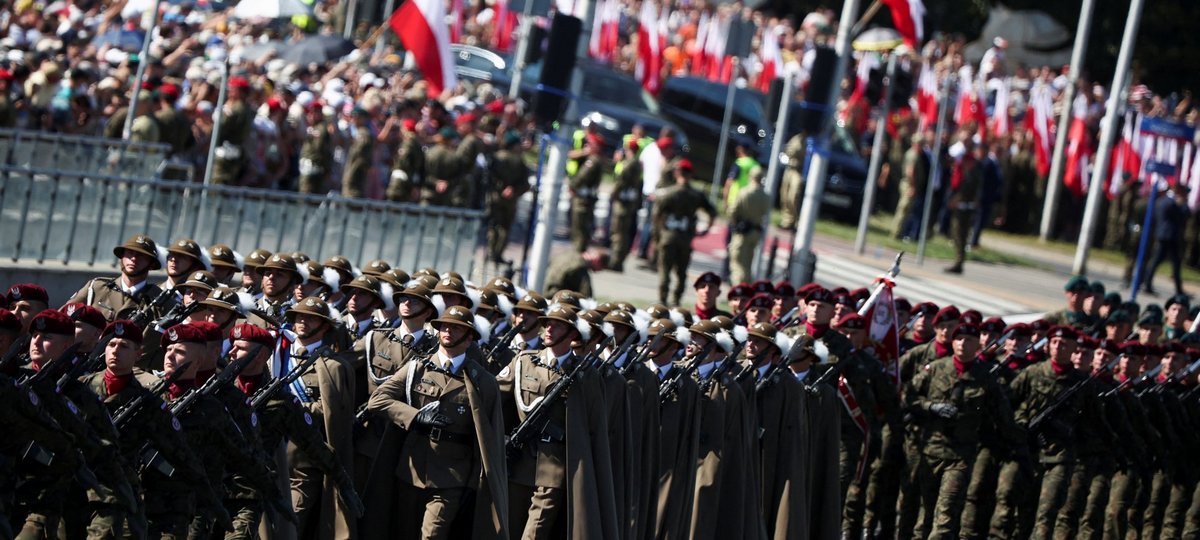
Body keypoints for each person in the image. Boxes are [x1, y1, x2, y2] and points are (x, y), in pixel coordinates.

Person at [365, 305, 509, 538]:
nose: (447, 331)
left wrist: (474, 485)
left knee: (432, 535)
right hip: (412, 470)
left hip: (453, 477)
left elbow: (487, 441)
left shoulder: (483, 382)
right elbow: (378, 400)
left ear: (469, 336)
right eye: (444, 326)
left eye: (456, 327)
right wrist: (414, 416)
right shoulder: (417, 368)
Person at [496, 305, 618, 538]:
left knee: (533, 534)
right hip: (519, 463)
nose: (549, 329)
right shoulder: (524, 362)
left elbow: (595, 428)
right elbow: (493, 399)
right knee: (508, 529)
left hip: (555, 467)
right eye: (548, 323)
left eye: (558, 325)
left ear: (573, 334)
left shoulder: (585, 375)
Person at [906, 322, 1018, 539]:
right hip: (930, 452)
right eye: (958, 339)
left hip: (960, 456)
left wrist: (1013, 442)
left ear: (977, 344)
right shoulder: (936, 368)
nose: (962, 344)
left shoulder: (986, 376)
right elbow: (908, 397)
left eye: (969, 340)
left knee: (945, 516)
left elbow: (1002, 416)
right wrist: (931, 407)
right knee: (925, 515)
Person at [653, 159, 716, 305]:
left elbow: (657, 215)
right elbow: (712, 212)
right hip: (685, 238)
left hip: (669, 236)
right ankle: (676, 300)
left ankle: (662, 300)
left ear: (676, 173)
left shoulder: (668, 193)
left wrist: (658, 234)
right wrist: (706, 229)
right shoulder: (696, 195)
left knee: (665, 270)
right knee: (681, 272)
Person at [66, 234, 166, 322]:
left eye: (141, 256)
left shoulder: (159, 300)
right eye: (130, 253)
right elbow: (64, 316)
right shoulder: (97, 287)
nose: (134, 258)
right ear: (122, 257)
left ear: (151, 264)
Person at [486, 132, 531, 264]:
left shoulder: (496, 157)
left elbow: (488, 177)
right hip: (510, 201)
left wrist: (499, 189)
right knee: (505, 227)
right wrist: (513, 190)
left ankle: (491, 251)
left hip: (495, 198)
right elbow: (525, 184)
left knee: (494, 225)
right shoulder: (519, 161)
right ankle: (498, 253)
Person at [1142, 183, 1190, 296]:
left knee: (1162, 262)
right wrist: (1183, 205)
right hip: (1169, 236)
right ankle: (1148, 284)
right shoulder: (1171, 203)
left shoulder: (1163, 200)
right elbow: (1183, 215)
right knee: (1163, 262)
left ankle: (1148, 283)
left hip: (1164, 234)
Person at [727, 166, 771, 285]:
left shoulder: (744, 192)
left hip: (743, 231)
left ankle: (738, 291)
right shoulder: (765, 196)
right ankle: (747, 289)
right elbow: (765, 212)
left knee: (738, 263)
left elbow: (733, 211)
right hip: (755, 232)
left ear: (750, 176)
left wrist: (735, 223)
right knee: (748, 263)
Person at [945, 141, 982, 274]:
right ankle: (958, 261)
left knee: (960, 235)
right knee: (957, 235)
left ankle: (959, 262)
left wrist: (956, 200)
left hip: (965, 209)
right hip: (962, 207)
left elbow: (966, 191)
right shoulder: (966, 172)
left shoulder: (972, 174)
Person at [210, 76, 254, 186]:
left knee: (218, 182)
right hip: (235, 150)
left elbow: (221, 127)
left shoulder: (237, 108)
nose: (230, 92)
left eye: (233, 89)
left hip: (226, 150)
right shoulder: (247, 108)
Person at [609, 139, 644, 272]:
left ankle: (616, 261)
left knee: (618, 233)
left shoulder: (628, 165)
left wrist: (613, 194)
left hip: (623, 203)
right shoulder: (637, 165)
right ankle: (619, 259)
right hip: (630, 203)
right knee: (623, 232)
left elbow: (621, 182)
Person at [568, 136, 605, 253]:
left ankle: (577, 254)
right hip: (587, 198)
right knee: (581, 228)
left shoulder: (592, 161)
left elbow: (582, 176)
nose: (586, 147)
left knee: (579, 228)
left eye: (590, 145)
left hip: (583, 199)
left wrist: (572, 186)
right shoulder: (595, 160)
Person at [892, 132, 929, 240]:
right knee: (903, 209)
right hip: (908, 185)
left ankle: (898, 233)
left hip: (909, 184)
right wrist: (913, 186)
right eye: (920, 144)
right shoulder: (913, 155)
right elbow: (910, 172)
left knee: (906, 211)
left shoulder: (915, 154)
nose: (921, 146)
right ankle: (896, 234)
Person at [298, 101, 333, 194]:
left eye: (313, 112)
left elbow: (320, 150)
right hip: (309, 168)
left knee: (306, 197)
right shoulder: (314, 127)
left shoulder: (320, 128)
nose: (310, 115)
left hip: (313, 169)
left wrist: (325, 168)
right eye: (309, 113)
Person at [543, 250, 608, 299]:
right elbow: (586, 296)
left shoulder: (566, 254)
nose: (597, 271)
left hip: (542, 288)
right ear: (597, 260)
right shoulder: (581, 267)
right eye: (600, 268)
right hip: (555, 296)